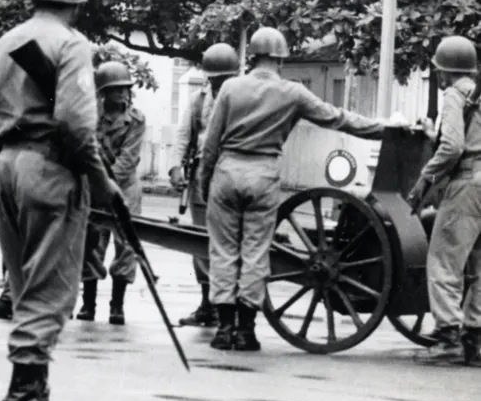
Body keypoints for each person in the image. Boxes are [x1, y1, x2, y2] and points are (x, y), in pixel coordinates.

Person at [0, 0, 122, 401]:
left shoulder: (2, 44)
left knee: (23, 282)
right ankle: (24, 395)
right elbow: (76, 123)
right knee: (53, 284)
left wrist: (0, 166)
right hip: (51, 168)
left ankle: (29, 391)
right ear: (78, 2)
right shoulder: (72, 44)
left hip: (7, 165)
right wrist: (100, 179)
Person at [200, 26, 403, 353]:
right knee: (254, 252)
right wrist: (387, 129)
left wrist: (203, 181)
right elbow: (338, 118)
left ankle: (224, 329)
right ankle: (246, 332)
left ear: (252, 56)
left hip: (226, 171)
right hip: (263, 173)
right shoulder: (292, 93)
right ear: (280, 58)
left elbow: (210, 144)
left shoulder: (230, 89)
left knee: (224, 251)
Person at [408, 36, 481, 365]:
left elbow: (452, 148)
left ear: (443, 73)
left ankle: (449, 338)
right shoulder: (476, 95)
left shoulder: (454, 94)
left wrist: (426, 178)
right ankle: (474, 337)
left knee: (443, 259)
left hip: (467, 184)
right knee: (479, 265)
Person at [169, 43, 239, 327]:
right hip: (200, 177)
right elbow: (184, 135)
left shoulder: (239, 99)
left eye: (224, 79)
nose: (219, 83)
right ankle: (207, 305)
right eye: (215, 78)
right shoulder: (198, 101)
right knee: (200, 242)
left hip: (228, 176)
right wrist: (175, 166)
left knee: (229, 243)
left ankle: (228, 308)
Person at [76, 61, 146, 325]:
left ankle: (117, 305)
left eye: (125, 89)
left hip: (125, 188)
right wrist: (98, 183)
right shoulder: (90, 118)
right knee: (91, 243)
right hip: (95, 187)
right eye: (116, 90)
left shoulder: (136, 120)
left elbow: (128, 159)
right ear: (103, 92)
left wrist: (108, 183)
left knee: (127, 247)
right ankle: (88, 303)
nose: (122, 94)